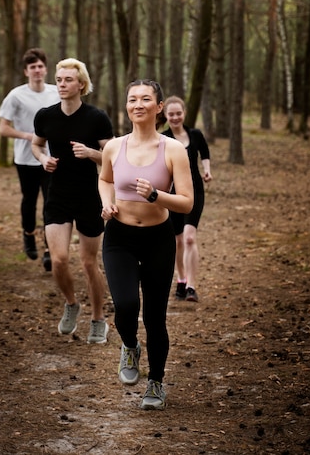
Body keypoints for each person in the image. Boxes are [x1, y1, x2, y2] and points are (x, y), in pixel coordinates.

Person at [98, 80, 193, 410]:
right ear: (127, 106)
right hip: (119, 239)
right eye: (132, 99)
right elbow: (105, 178)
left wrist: (156, 195)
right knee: (124, 305)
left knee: (155, 317)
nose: (138, 104)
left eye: (146, 99)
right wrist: (107, 203)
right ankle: (129, 346)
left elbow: (186, 203)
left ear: (159, 107)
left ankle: (155, 382)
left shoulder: (173, 150)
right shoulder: (113, 147)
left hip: (157, 239)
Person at [31, 58, 114, 344]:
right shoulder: (45, 115)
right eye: (60, 79)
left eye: (68, 80)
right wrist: (43, 160)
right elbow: (36, 143)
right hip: (58, 194)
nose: (62, 84)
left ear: (81, 84)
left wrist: (91, 153)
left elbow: (113, 157)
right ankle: (71, 304)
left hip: (89, 195)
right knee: (58, 260)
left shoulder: (97, 117)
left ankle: (98, 319)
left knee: (89, 263)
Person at [0, 48, 60, 269]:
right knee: (29, 200)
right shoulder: (16, 95)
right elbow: (3, 129)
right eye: (32, 67)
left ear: (46, 69)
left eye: (40, 66)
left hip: (50, 158)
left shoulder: (56, 92)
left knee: (50, 202)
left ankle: (48, 249)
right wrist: (27, 135)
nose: (37, 70)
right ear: (26, 71)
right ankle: (28, 234)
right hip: (25, 158)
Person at [162, 96, 212, 302]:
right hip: (172, 194)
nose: (175, 117)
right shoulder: (163, 138)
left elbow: (205, 153)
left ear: (184, 113)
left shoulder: (195, 134)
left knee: (190, 237)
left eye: (178, 113)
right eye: (171, 114)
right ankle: (181, 280)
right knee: (178, 241)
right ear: (165, 116)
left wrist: (207, 171)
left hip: (195, 191)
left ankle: (191, 285)